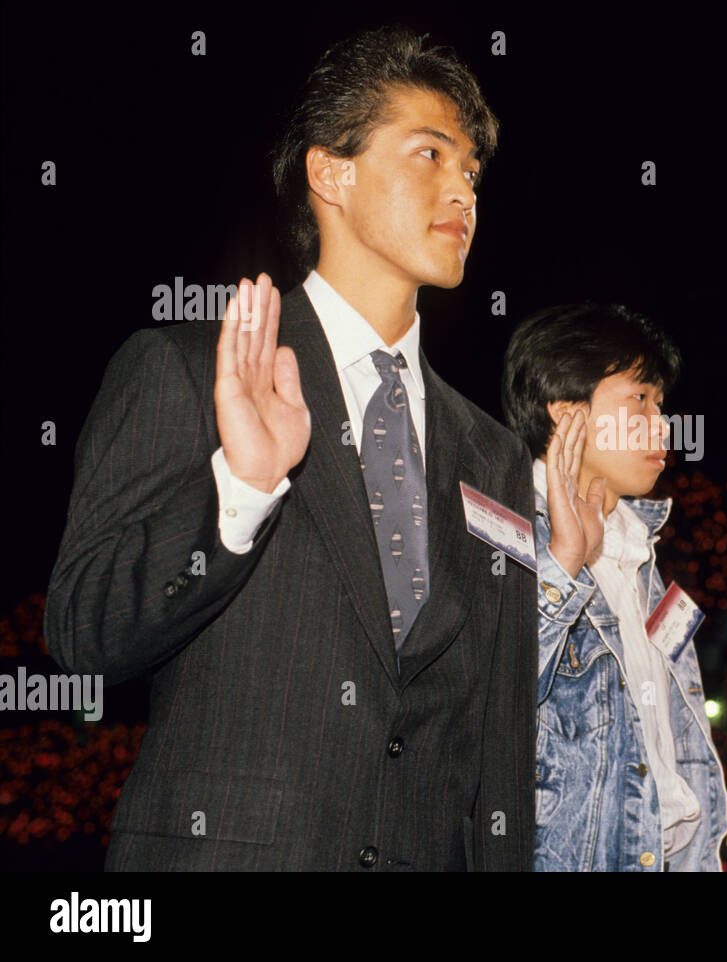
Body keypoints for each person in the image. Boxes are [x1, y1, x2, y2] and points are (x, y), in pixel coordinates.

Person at [43, 26, 537, 870]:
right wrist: (240, 487)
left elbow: (500, 743)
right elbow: (82, 635)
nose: (463, 188)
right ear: (330, 173)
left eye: (472, 171)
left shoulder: (494, 459)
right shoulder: (184, 370)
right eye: (430, 154)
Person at [501, 302, 727, 871]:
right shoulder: (502, 539)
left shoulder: (641, 551)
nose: (664, 424)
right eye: (640, 401)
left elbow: (677, 748)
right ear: (566, 415)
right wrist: (561, 566)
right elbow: (488, 703)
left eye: (662, 404)